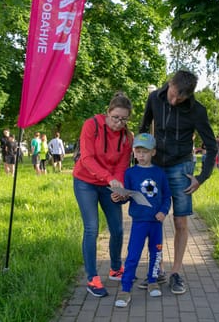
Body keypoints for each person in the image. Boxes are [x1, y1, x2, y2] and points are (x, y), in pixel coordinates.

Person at [139, 70, 218, 295]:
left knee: (180, 222)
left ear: (189, 95)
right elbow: (143, 128)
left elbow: (212, 147)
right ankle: (157, 269)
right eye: (173, 94)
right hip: (156, 166)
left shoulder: (197, 111)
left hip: (181, 168)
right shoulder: (154, 98)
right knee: (153, 219)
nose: (174, 101)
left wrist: (202, 177)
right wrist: (139, 162)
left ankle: (176, 272)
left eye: (180, 99)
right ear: (170, 84)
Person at [73, 92, 133, 298]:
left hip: (108, 185)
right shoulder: (92, 125)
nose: (119, 123)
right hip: (85, 182)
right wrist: (110, 179)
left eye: (124, 119)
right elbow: (87, 158)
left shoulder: (127, 137)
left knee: (117, 228)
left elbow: (122, 166)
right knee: (91, 228)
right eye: (116, 117)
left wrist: (118, 188)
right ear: (108, 113)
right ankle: (92, 277)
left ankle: (116, 269)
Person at [114, 133, 172, 308]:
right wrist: (120, 197)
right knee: (133, 255)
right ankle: (125, 289)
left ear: (153, 152)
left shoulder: (159, 173)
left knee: (156, 253)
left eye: (145, 152)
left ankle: (153, 280)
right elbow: (127, 196)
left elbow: (167, 196)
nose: (141, 155)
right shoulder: (130, 173)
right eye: (138, 151)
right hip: (139, 221)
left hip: (156, 222)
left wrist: (163, 212)